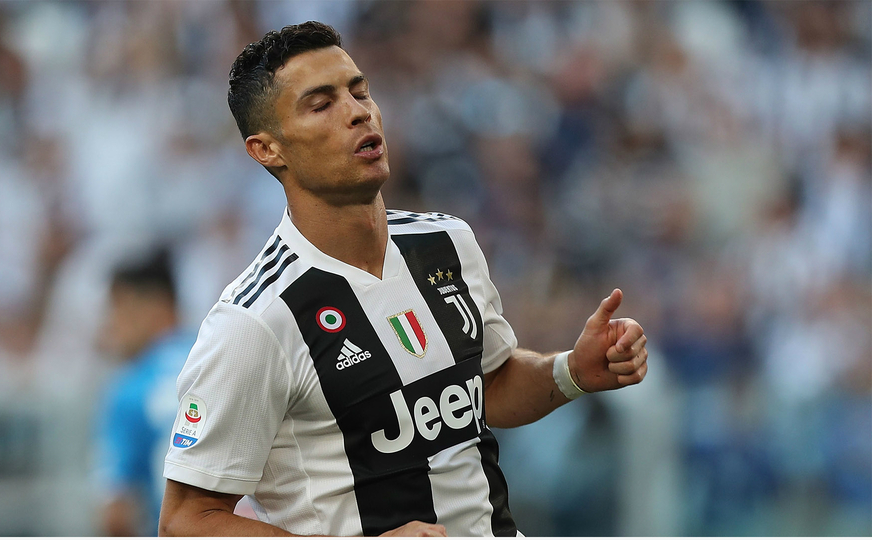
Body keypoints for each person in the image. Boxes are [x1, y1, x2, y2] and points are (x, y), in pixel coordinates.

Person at [159, 21, 648, 537]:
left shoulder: (448, 243)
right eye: (321, 105)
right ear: (267, 149)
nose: (358, 112)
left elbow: (489, 385)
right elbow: (187, 519)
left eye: (359, 91)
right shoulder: (255, 320)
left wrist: (571, 370)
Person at [94, 249, 195, 536]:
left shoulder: (130, 388)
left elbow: (116, 515)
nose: (110, 324)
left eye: (118, 308)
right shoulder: (219, 358)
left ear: (156, 308)